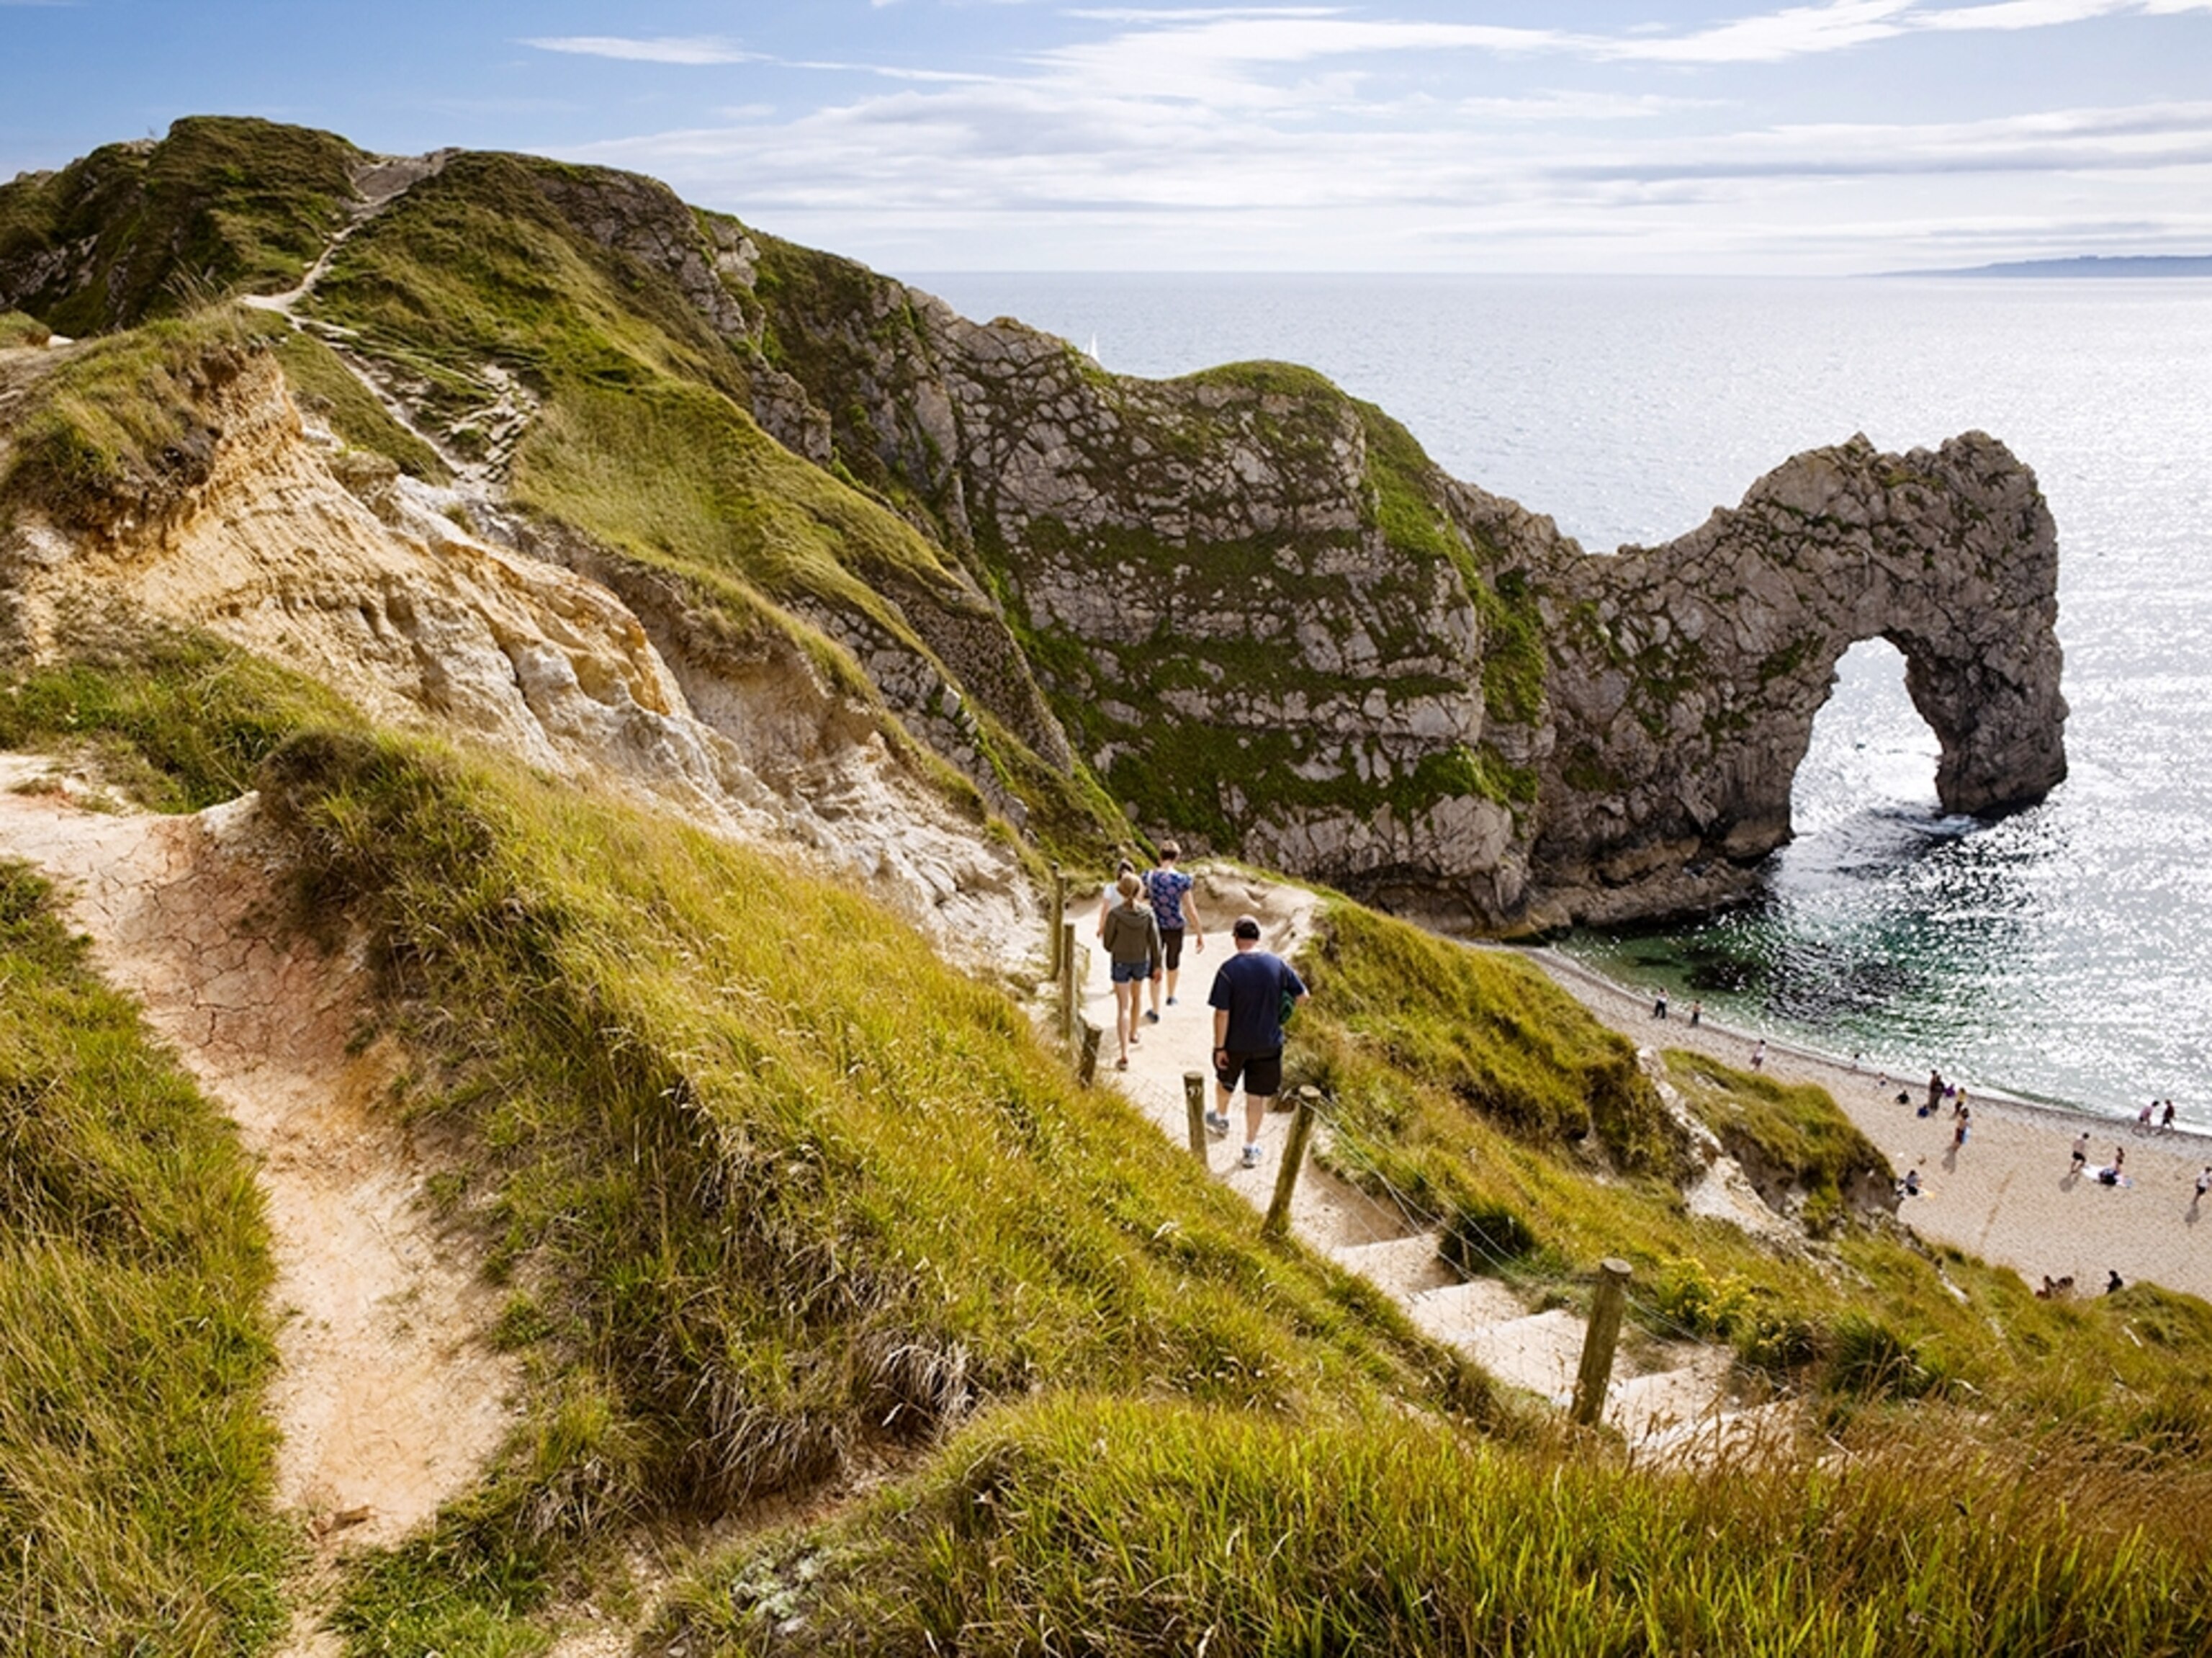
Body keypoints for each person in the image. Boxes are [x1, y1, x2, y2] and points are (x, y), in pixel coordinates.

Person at [1206, 914, 1308, 1170]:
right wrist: (1283, 1012)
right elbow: (1303, 995)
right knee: (1256, 1098)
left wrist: (1219, 1047)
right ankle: (1250, 1148)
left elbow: (1222, 1013)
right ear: (1258, 937)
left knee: (1225, 1083)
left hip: (1235, 1043)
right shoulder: (1277, 964)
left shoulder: (1228, 970)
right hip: (1269, 1042)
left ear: (1236, 938)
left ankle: (1220, 1118)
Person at [1097, 872, 1161, 1070]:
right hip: (1141, 961)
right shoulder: (1148, 913)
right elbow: (1155, 942)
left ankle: (1124, 1052)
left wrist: (1119, 946)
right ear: (1139, 890)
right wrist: (1157, 965)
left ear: (1121, 890)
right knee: (1137, 998)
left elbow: (1107, 944)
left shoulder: (1115, 914)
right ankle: (1134, 1034)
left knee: (1122, 1006)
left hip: (1120, 962)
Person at [1142, 841, 1205, 1022]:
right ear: (1177, 858)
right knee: (1173, 962)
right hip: (1176, 926)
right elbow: (1191, 909)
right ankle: (1171, 996)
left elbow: (1139, 902)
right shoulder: (1182, 880)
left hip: (1155, 927)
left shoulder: (1149, 876)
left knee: (1155, 965)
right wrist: (1199, 933)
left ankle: (1155, 1010)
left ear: (1160, 857)